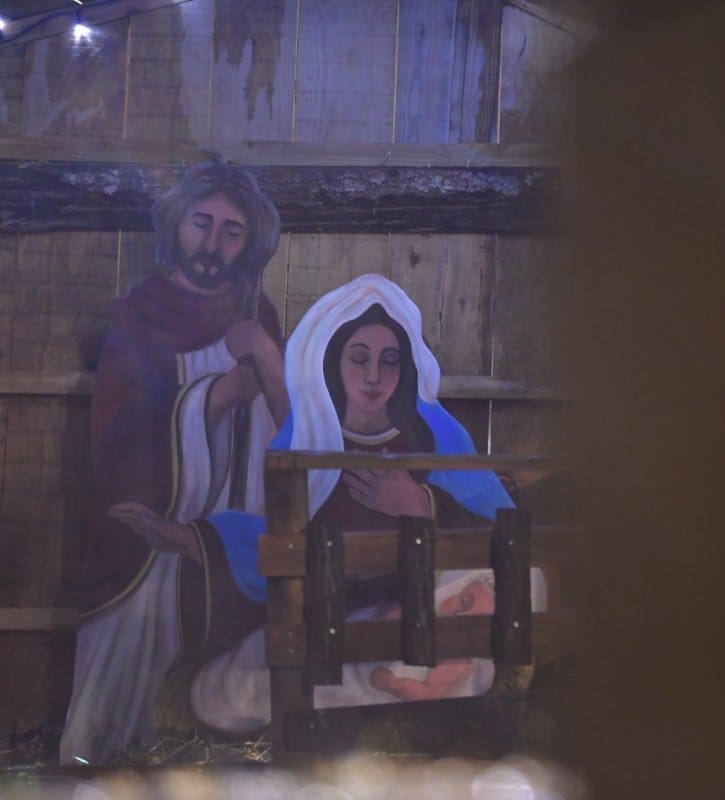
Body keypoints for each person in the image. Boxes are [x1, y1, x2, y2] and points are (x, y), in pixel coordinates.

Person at [149, 274, 545, 736]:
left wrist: (420, 504)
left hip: (435, 613)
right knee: (242, 683)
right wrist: (191, 537)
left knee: (478, 608)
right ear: (334, 360)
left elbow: (498, 536)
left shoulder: (438, 437)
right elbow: (274, 538)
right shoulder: (308, 442)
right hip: (344, 621)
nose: (374, 376)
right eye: (359, 359)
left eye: (389, 361)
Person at [60, 159, 286, 765]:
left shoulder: (257, 315)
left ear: (249, 242)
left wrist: (266, 360)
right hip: (147, 548)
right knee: (121, 714)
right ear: (176, 226)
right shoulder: (140, 316)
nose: (213, 244)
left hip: (229, 534)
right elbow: (119, 434)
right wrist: (218, 396)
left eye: (231, 231)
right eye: (200, 224)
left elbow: (292, 428)